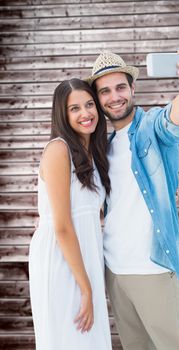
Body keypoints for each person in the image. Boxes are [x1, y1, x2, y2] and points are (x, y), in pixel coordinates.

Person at [86, 49, 179, 350]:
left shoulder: (150, 128)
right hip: (115, 271)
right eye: (105, 91)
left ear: (132, 89)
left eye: (120, 87)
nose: (114, 97)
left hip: (153, 269)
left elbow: (174, 121)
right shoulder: (103, 146)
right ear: (98, 99)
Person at [29, 78, 112, 350]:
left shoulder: (93, 153)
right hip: (60, 258)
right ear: (62, 115)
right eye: (74, 108)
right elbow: (62, 226)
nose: (85, 113)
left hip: (85, 256)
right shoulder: (58, 150)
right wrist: (86, 288)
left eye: (89, 104)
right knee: (69, 338)